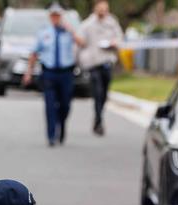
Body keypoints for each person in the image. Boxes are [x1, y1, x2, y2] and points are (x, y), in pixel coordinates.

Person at [23, 2, 84, 147]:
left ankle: (61, 125)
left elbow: (82, 43)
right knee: (50, 105)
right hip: (49, 73)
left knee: (65, 105)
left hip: (66, 73)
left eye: (58, 16)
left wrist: (71, 31)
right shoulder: (44, 33)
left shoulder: (68, 32)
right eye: (53, 16)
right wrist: (28, 73)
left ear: (61, 16)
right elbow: (34, 53)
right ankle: (51, 135)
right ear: (50, 17)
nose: (55, 18)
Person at [78, 0, 123, 136]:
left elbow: (119, 37)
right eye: (101, 9)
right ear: (95, 9)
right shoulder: (87, 24)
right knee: (97, 91)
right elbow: (80, 41)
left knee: (104, 93)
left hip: (107, 61)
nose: (103, 11)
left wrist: (115, 43)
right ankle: (98, 120)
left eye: (105, 9)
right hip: (93, 63)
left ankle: (99, 115)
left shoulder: (112, 22)